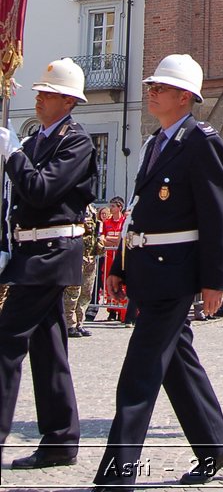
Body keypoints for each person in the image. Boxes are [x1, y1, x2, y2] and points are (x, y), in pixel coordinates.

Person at [93, 54, 223, 490]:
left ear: (185, 96)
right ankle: (216, 448)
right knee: (177, 363)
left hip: (176, 273)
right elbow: (138, 213)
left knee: (139, 371)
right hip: (148, 270)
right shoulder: (156, 141)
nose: (151, 90)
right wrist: (120, 264)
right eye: (152, 84)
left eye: (161, 86)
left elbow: (217, 216)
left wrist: (215, 279)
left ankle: (117, 473)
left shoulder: (202, 141)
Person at [0, 56, 97, 471]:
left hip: (52, 253)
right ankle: (60, 438)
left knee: (5, 343)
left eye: (49, 93)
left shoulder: (76, 142)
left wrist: (11, 155)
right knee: (49, 348)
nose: (40, 98)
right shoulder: (37, 140)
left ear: (69, 102)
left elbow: (41, 191)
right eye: (40, 92)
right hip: (30, 251)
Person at [64, 202, 104, 338]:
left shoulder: (92, 208)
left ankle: (80, 323)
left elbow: (96, 229)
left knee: (87, 291)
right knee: (73, 290)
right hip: (76, 255)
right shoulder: (73, 206)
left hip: (90, 255)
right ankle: (69, 323)